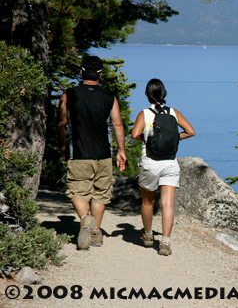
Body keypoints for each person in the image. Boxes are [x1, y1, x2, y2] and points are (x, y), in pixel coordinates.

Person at [57, 55, 127, 250]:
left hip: (78, 152)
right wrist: (121, 151)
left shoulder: (68, 94)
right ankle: (96, 232)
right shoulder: (109, 96)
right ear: (100, 75)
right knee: (101, 193)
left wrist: (63, 146)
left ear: (81, 73)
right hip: (103, 153)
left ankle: (85, 219)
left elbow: (62, 123)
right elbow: (117, 123)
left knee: (78, 191)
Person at [131, 78, 195, 256]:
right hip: (170, 162)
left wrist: (147, 139)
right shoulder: (174, 112)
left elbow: (135, 134)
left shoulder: (144, 113)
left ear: (146, 94)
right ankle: (165, 242)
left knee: (147, 201)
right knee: (168, 204)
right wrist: (174, 138)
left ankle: (149, 235)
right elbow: (191, 131)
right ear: (164, 94)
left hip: (150, 161)